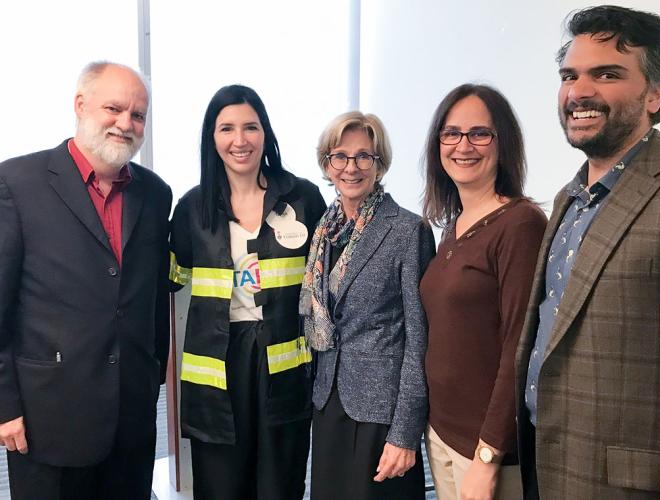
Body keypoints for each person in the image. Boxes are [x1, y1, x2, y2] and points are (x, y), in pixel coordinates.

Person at [516, 6, 660, 499]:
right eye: (569, 75)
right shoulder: (567, 200)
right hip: (547, 466)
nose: (579, 91)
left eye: (607, 74)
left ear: (656, 93)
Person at [0, 61, 172, 500]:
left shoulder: (154, 194)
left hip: (132, 418)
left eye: (138, 115)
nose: (125, 123)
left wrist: (152, 372)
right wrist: (5, 407)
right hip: (47, 419)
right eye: (114, 108)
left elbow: (151, 296)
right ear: (80, 105)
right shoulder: (18, 183)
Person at [169, 84, 325, 500]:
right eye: (227, 129)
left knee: (281, 482)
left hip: (284, 362)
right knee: (220, 484)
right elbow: (167, 277)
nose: (240, 140)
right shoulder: (191, 209)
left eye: (250, 127)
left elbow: (332, 280)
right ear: (212, 137)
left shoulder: (304, 198)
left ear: (265, 133)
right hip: (218, 364)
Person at [419, 84, 546, 500]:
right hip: (442, 433)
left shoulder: (521, 225)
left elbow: (519, 348)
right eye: (451, 133)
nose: (463, 146)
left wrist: (488, 456)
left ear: (503, 142)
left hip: (486, 450)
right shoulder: (453, 226)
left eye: (480, 133)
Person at [300, 111, 435, 500]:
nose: (351, 167)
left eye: (364, 157)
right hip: (328, 401)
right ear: (327, 163)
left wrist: (405, 433)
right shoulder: (324, 231)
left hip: (381, 411)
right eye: (340, 156)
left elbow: (419, 338)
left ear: (380, 164)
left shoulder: (408, 230)